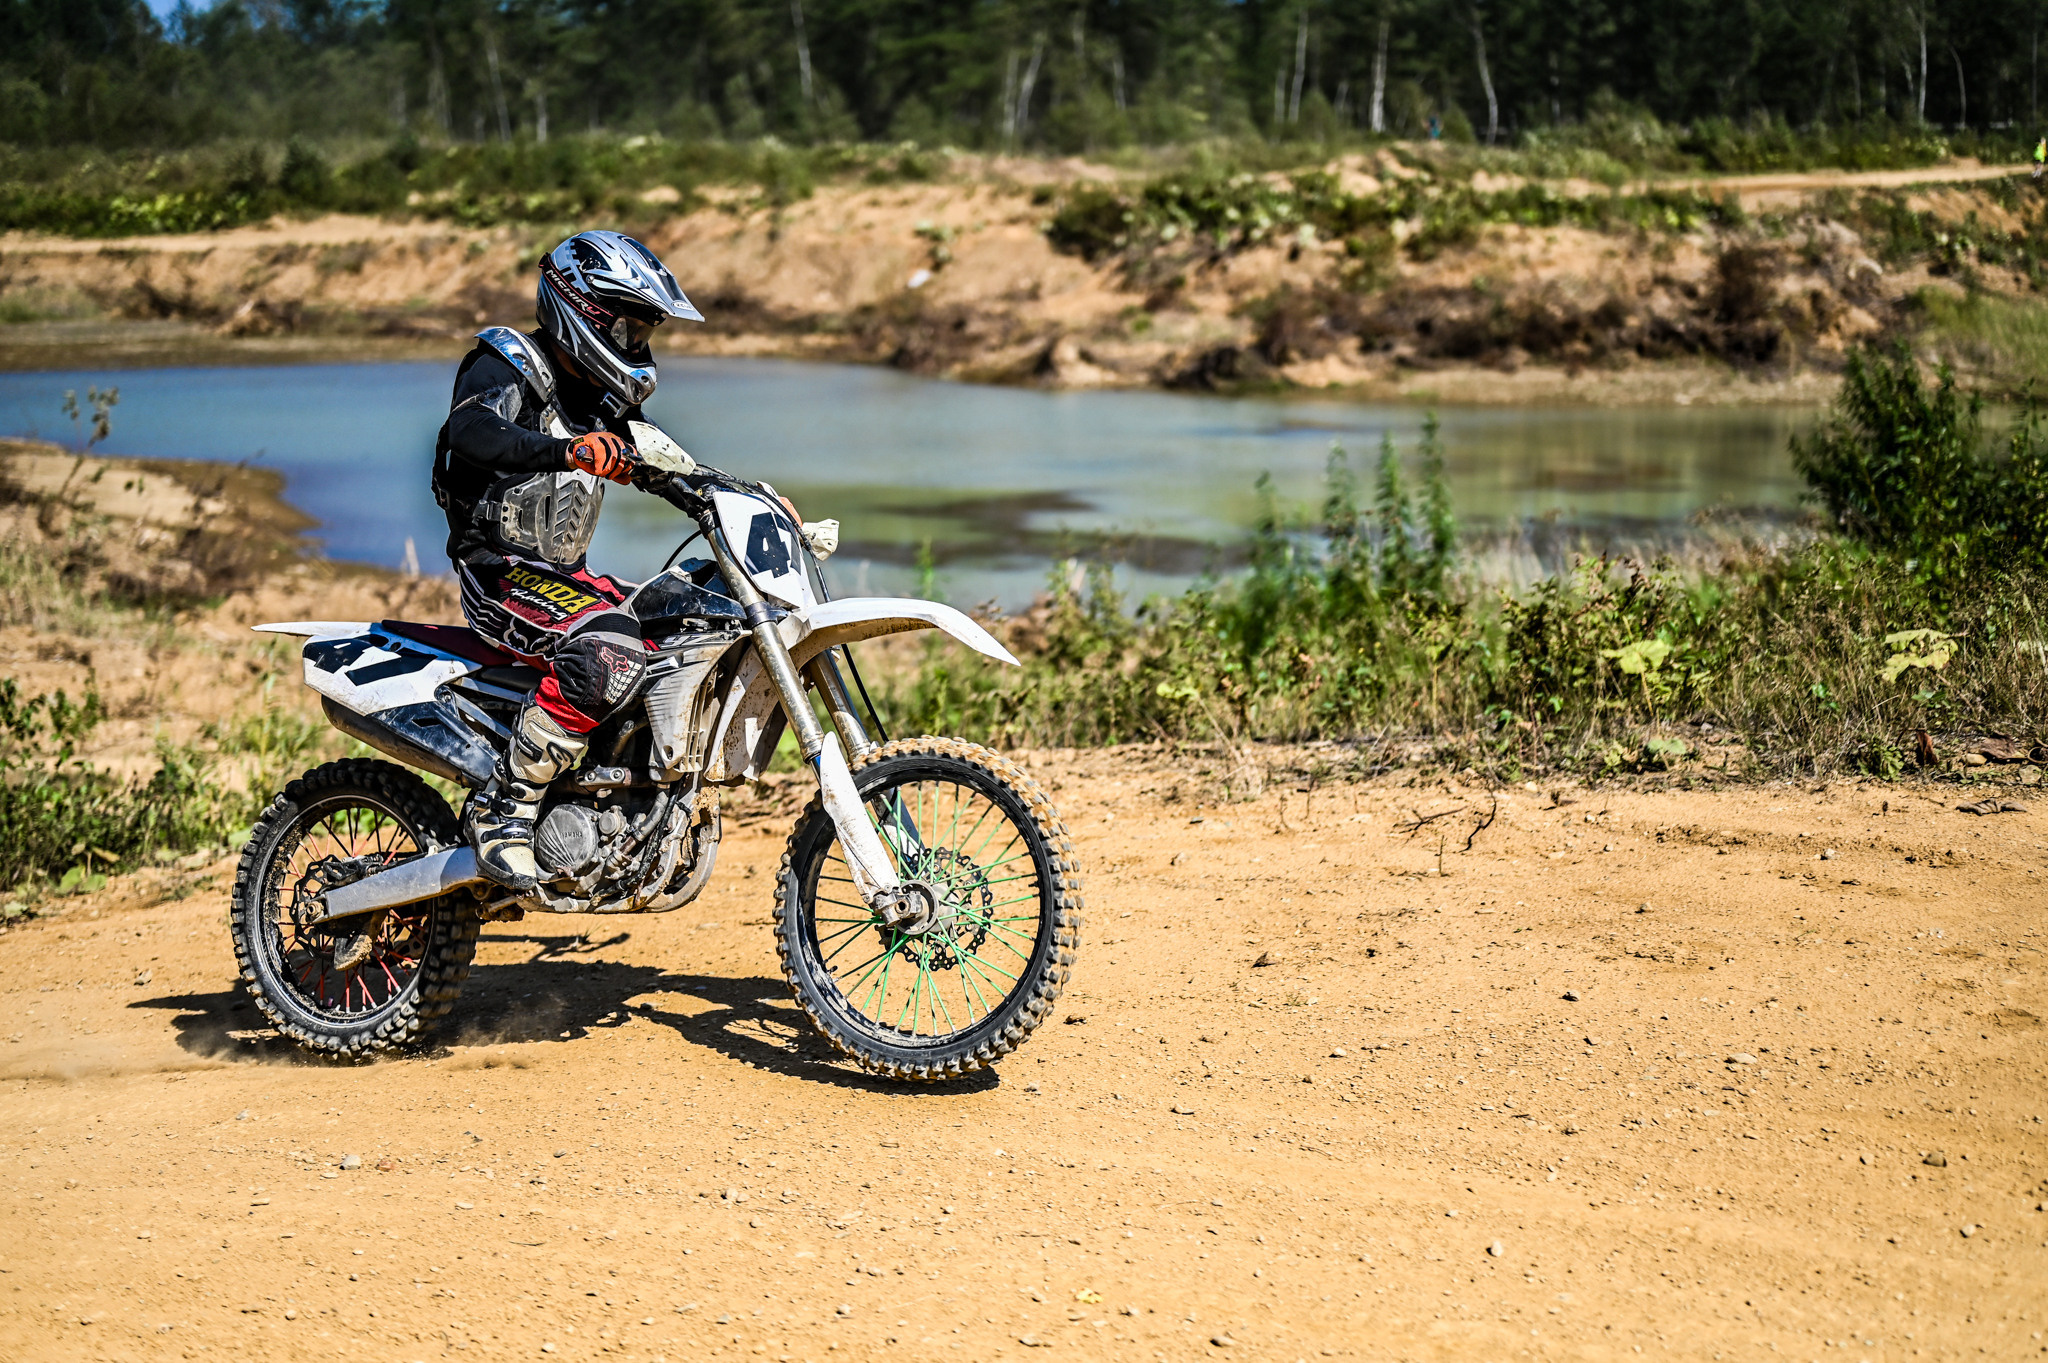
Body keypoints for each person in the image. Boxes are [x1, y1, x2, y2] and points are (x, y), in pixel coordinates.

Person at [432, 230, 702, 891]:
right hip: (498, 573)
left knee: (690, 618)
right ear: (583, 310)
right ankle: (505, 805)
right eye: (628, 327)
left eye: (644, 332)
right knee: (608, 650)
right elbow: (470, 431)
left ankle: (621, 799)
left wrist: (735, 496)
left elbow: (666, 465)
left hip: (561, 577)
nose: (636, 344)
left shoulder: (604, 401)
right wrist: (567, 451)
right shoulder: (508, 362)